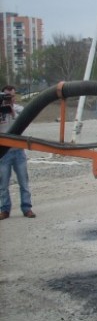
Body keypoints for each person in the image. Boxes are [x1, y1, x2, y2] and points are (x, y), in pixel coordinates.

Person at [0, 85, 35, 220]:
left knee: (23, 181)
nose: (10, 99)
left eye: (12, 96)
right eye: (7, 96)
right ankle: (4, 209)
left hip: (18, 151)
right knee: (3, 184)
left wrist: (13, 114)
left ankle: (27, 208)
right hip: (3, 152)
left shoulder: (19, 109)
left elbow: (25, 122)